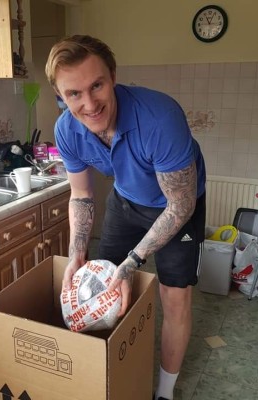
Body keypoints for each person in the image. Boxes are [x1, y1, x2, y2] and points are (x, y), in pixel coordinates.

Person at [45, 35, 206, 400]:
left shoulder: (159, 118)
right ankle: (108, 374)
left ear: (113, 76)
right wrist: (76, 254)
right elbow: (81, 195)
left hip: (177, 205)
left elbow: (180, 206)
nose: (89, 104)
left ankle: (164, 392)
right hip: (127, 199)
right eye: (74, 94)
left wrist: (134, 260)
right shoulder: (67, 130)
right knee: (103, 286)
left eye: (97, 85)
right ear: (60, 95)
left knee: (174, 296)